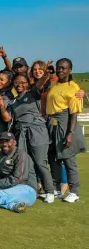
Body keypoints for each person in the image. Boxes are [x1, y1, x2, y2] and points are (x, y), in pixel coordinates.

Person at [7, 71, 55, 202]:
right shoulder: (13, 102)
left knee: (40, 163)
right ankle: (33, 190)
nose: (19, 85)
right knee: (28, 163)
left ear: (28, 83)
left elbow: (39, 84)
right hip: (22, 134)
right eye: (16, 82)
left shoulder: (32, 94)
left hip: (37, 131)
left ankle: (50, 191)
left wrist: (46, 75)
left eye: (23, 82)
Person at [46, 58, 86, 203]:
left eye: (63, 68)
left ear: (70, 70)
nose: (60, 70)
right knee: (54, 158)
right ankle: (57, 189)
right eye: (58, 68)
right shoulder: (55, 85)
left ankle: (74, 191)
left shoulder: (73, 87)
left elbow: (74, 113)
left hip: (65, 121)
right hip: (52, 123)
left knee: (68, 158)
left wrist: (70, 133)